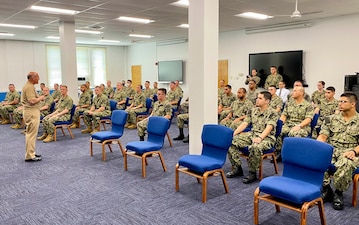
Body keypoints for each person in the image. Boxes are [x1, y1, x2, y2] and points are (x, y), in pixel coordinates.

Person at [318, 92, 359, 210]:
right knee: (319, 158)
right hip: (332, 149)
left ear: (353, 104)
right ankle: (326, 189)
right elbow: (323, 136)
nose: (340, 104)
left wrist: (354, 152)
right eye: (339, 101)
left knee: (345, 163)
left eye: (343, 102)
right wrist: (318, 147)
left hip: (350, 152)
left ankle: (338, 193)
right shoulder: (330, 119)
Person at [226, 91, 279, 184]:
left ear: (267, 101)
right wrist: (234, 133)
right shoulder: (253, 110)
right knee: (231, 141)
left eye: (260, 98)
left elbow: (269, 127)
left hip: (267, 137)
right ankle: (237, 168)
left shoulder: (273, 113)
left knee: (255, 147)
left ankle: (252, 172)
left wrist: (260, 138)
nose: (257, 100)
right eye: (257, 98)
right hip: (252, 134)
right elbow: (245, 123)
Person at [275, 86, 314, 161]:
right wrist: (280, 124)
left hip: (303, 126)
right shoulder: (289, 103)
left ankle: (295, 156)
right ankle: (280, 152)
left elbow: (308, 119)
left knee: (294, 133)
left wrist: (299, 126)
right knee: (279, 131)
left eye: (295, 91)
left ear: (301, 93)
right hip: (289, 124)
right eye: (293, 90)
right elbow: (284, 115)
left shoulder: (308, 105)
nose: (293, 92)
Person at [21, 72, 45, 162]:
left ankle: (31, 152)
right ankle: (30, 155)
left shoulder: (29, 86)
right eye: (37, 77)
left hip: (31, 111)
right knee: (31, 134)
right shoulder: (29, 87)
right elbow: (32, 101)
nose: (38, 79)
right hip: (31, 112)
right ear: (32, 78)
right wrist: (41, 98)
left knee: (31, 134)